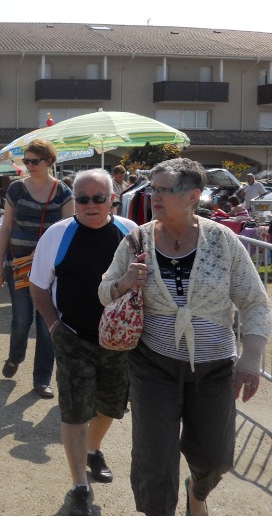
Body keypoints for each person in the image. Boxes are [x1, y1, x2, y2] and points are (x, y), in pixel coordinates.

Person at [98, 158, 271, 516]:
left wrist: (251, 359)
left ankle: (198, 490)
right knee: (155, 458)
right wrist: (124, 283)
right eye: (153, 188)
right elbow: (103, 290)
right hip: (152, 365)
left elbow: (254, 301)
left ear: (193, 195)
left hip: (214, 368)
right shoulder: (136, 239)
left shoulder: (223, 240)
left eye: (165, 189)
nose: (155, 196)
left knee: (215, 458)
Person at [28, 169, 138, 516]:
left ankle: (93, 449)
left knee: (111, 405)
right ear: (74, 201)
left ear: (112, 199)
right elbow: (38, 287)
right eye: (83, 198)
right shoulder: (57, 236)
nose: (90, 205)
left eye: (98, 198)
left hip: (118, 340)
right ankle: (79, 485)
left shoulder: (130, 233)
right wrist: (54, 326)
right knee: (75, 411)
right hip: (72, 335)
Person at [0, 138, 74, 399]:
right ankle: (15, 357)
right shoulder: (16, 189)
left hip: (49, 271)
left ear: (49, 161)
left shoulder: (63, 192)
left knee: (46, 323)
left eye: (34, 161)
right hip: (17, 264)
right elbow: (5, 227)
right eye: (26, 161)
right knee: (21, 320)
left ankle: (41, 379)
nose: (28, 165)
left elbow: (68, 233)